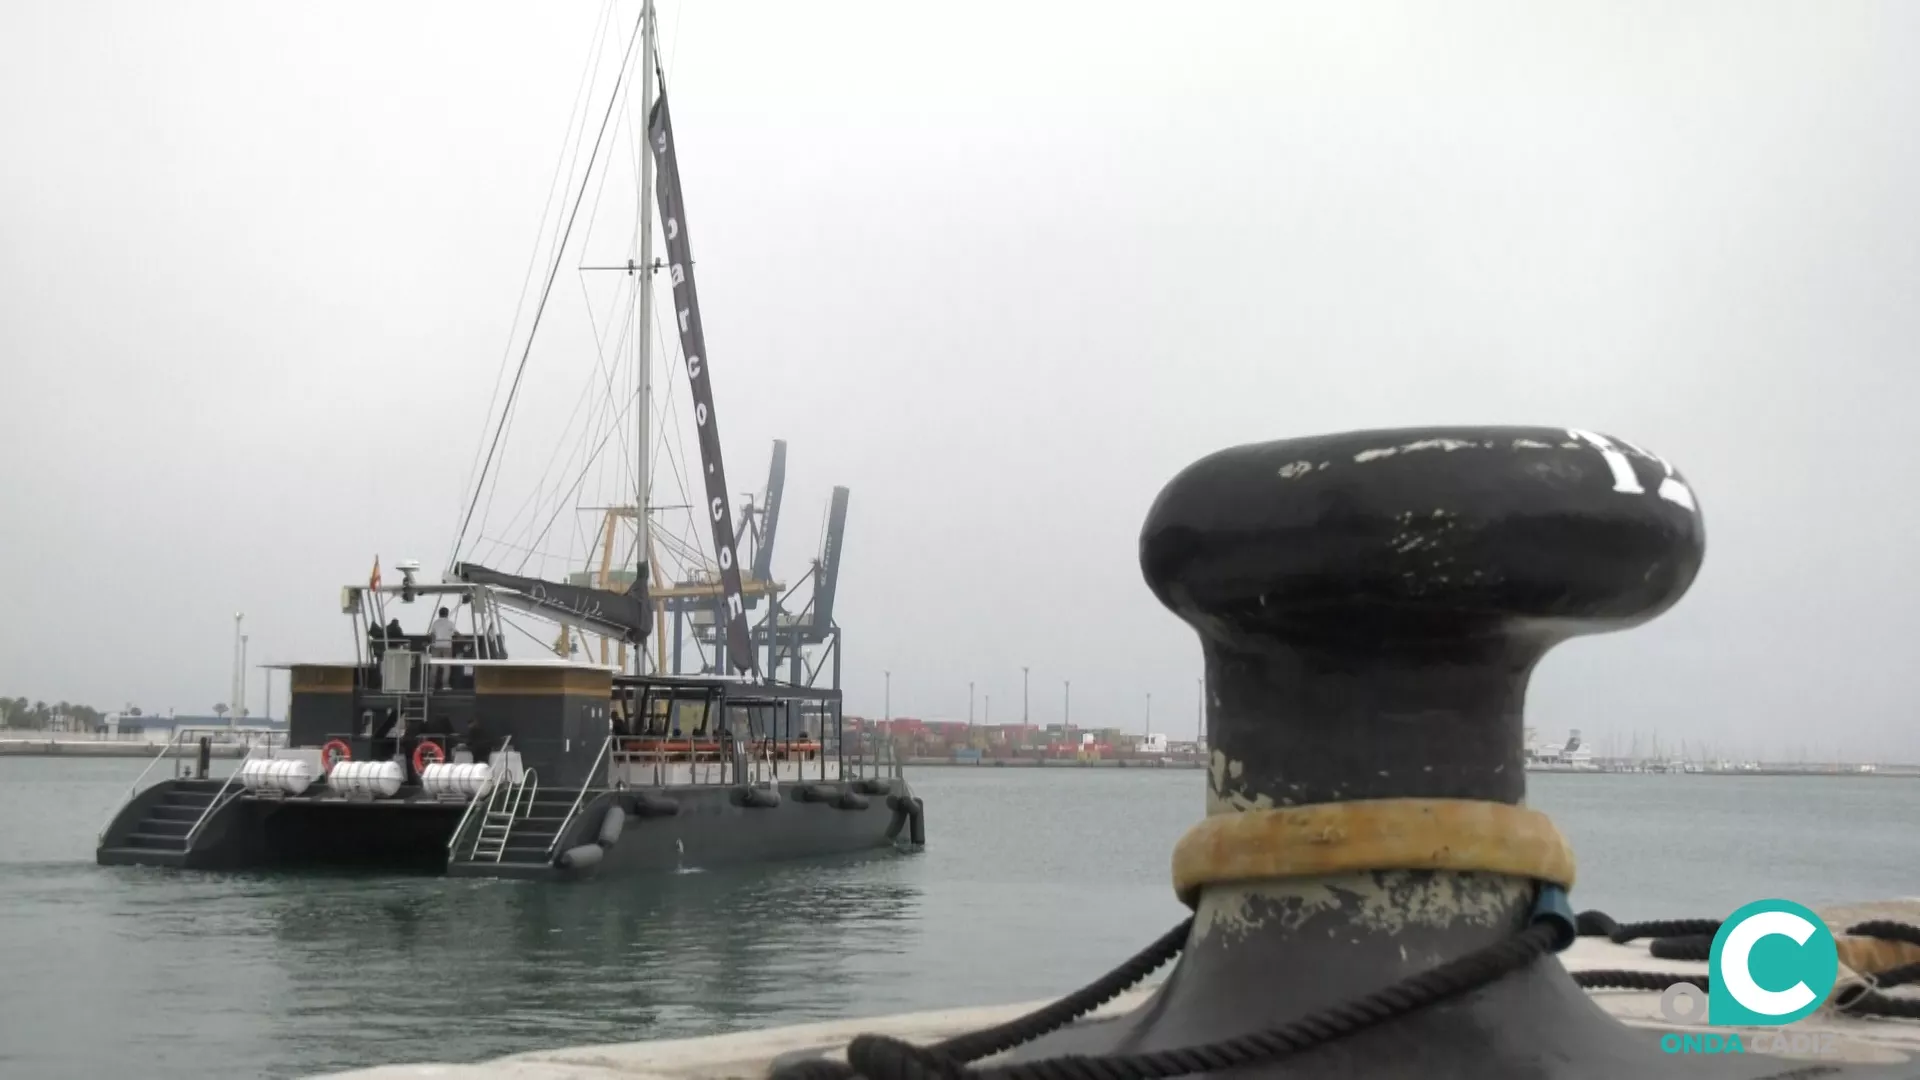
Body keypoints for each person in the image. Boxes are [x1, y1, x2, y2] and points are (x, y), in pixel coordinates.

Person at [428, 607, 456, 689]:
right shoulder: (450, 623)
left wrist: (432, 643)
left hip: (436, 645)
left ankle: (431, 686)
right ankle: (445, 685)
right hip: (447, 645)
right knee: (446, 666)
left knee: (434, 666)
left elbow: (432, 634)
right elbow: (455, 632)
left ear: (439, 613)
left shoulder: (435, 623)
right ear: (447, 614)